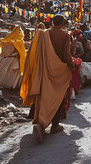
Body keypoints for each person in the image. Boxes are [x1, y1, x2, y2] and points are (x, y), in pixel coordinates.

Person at [20, 15, 73, 143]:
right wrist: (72, 65)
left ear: (53, 22)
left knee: (43, 96)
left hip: (44, 69)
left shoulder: (43, 34)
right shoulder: (65, 36)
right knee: (59, 97)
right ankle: (54, 125)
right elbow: (66, 55)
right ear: (63, 23)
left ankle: (40, 123)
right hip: (59, 71)